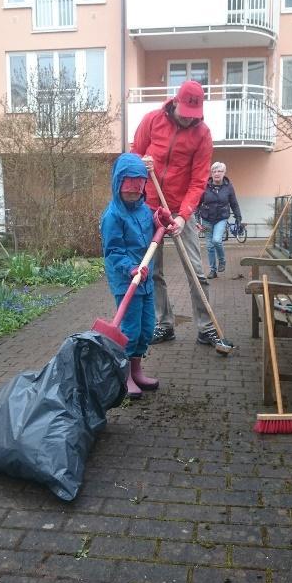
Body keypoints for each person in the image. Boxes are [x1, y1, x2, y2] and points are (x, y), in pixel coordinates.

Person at [131, 79, 220, 347]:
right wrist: (140, 162)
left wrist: (183, 215)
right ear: (175, 102)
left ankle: (206, 328)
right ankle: (164, 324)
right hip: (149, 207)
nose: (187, 121)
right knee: (152, 269)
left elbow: (198, 180)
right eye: (184, 114)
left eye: (193, 116)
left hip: (182, 209)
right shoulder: (152, 120)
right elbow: (133, 156)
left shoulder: (202, 134)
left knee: (196, 270)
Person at [101, 153, 164, 399]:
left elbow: (154, 229)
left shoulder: (144, 210)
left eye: (137, 191)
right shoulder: (112, 216)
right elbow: (114, 251)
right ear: (118, 186)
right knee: (129, 329)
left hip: (145, 279)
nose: (133, 195)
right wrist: (130, 268)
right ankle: (124, 375)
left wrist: (161, 220)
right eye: (128, 192)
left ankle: (136, 370)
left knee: (146, 328)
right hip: (126, 280)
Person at [198, 162, 242, 279]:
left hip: (221, 218)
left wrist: (238, 217)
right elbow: (197, 203)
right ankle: (213, 270)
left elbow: (234, 203)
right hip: (207, 218)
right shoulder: (205, 186)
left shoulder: (228, 187)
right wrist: (197, 220)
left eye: (219, 171)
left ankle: (222, 261)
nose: (217, 173)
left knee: (217, 240)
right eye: (214, 171)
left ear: (224, 173)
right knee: (209, 246)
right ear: (211, 173)